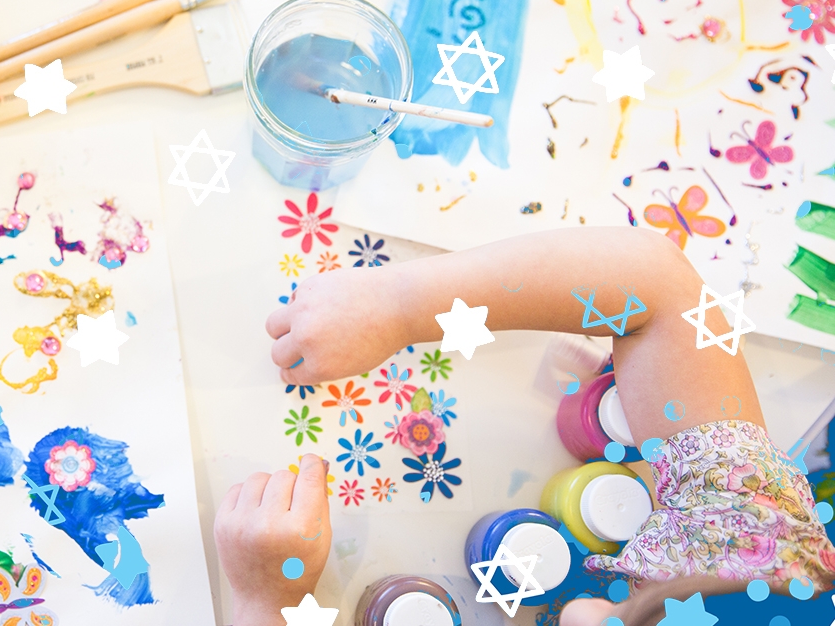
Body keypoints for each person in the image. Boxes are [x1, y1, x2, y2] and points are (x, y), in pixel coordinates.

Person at [214, 228, 834, 625]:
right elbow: (659, 287)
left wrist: (265, 597)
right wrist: (402, 304)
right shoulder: (762, 555)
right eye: (632, 616)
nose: (584, 613)